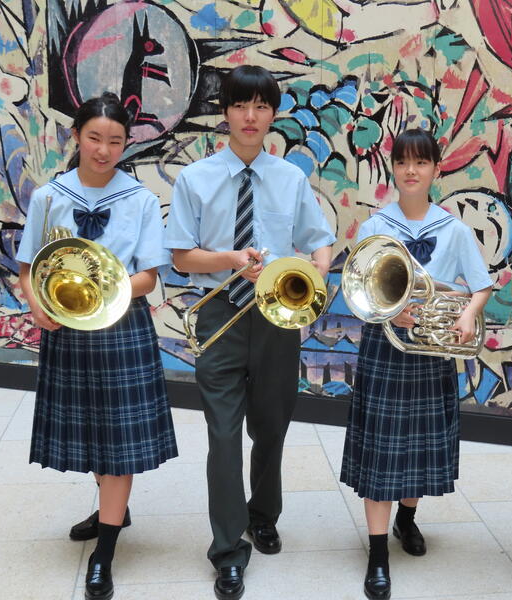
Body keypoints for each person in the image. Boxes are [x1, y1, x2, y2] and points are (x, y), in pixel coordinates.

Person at [164, 64, 335, 600]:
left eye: (262, 106)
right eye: (240, 105)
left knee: (272, 425)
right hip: (219, 315)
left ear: (273, 114)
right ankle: (227, 550)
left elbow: (320, 239)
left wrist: (317, 270)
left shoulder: (290, 178)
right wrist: (231, 259)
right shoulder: (195, 179)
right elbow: (181, 257)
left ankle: (263, 515)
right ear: (226, 112)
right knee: (222, 434)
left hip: (277, 316)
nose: (251, 116)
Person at [16, 93, 178, 600]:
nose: (104, 150)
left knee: (119, 442)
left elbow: (149, 276)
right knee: (89, 429)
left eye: (115, 141)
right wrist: (37, 307)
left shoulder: (141, 199)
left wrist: (103, 292)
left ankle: (104, 553)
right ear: (76, 136)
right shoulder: (49, 197)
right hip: (66, 330)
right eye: (94, 138)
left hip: (122, 328)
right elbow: (27, 267)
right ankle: (114, 510)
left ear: (126, 144)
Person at [340, 128, 493, 600]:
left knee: (420, 445)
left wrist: (467, 314)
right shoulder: (374, 227)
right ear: (393, 168)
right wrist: (388, 311)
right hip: (385, 347)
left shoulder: (455, 229)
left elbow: (481, 285)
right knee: (381, 449)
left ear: (436, 169)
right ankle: (378, 555)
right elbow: (357, 290)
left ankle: (406, 518)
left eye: (421, 162)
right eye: (403, 161)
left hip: (431, 351)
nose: (411, 170)